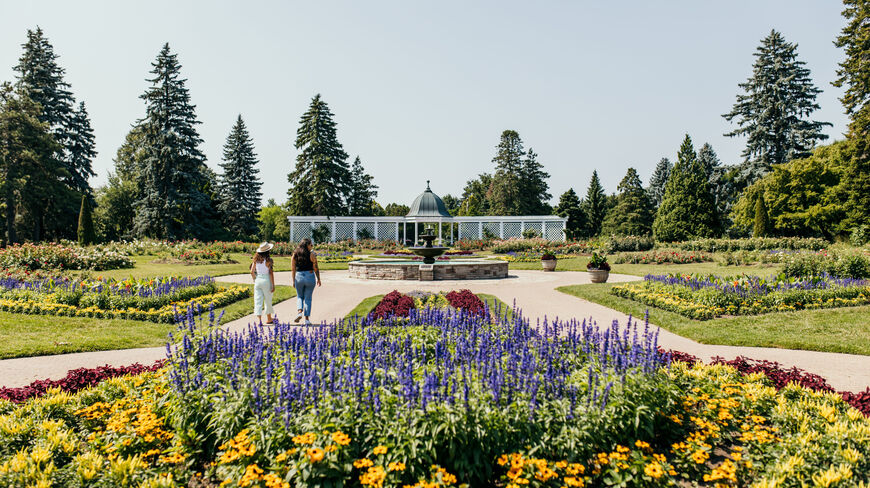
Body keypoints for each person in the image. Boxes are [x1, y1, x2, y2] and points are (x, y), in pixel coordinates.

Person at [291, 238, 321, 325]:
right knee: (308, 298)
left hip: (299, 277)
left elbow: (293, 269)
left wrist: (293, 280)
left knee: (299, 296)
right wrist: (318, 278)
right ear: (307, 245)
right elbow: (316, 267)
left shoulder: (295, 254)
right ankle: (307, 320)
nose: (312, 246)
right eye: (311, 245)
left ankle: (299, 312)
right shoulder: (312, 255)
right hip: (310, 276)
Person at [250, 242, 275, 324]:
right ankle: (269, 318)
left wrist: (255, 279)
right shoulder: (268, 260)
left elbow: (252, 272)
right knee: (268, 300)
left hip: (258, 280)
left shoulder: (255, 260)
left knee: (258, 300)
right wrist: (273, 285)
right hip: (266, 280)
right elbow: (271, 273)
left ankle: (259, 320)